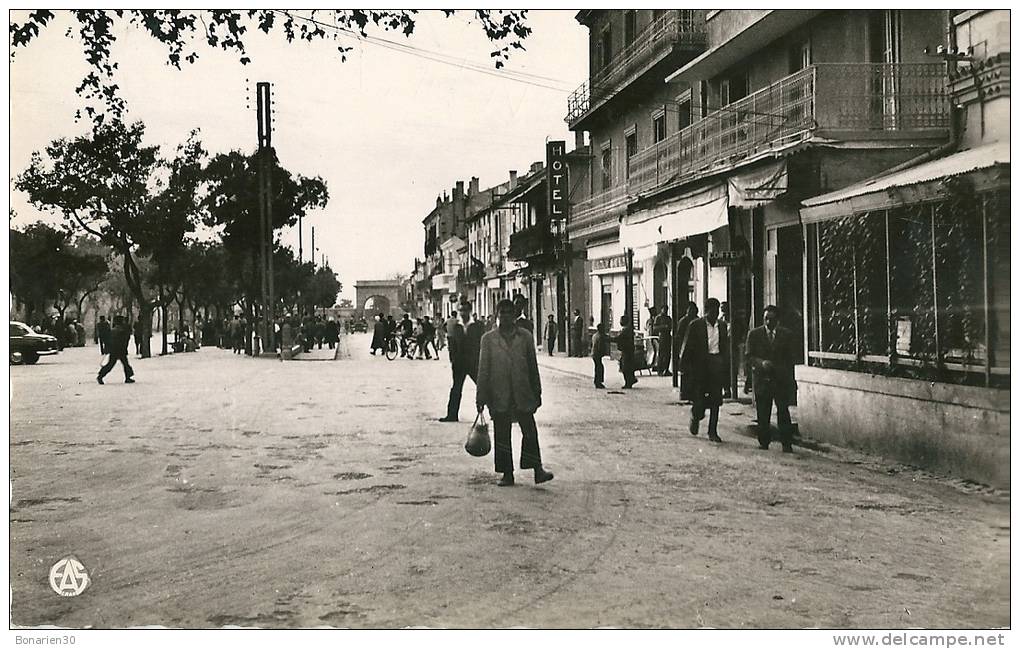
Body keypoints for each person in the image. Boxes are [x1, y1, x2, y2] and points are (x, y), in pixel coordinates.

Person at [476, 299, 553, 487]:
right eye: (501, 313)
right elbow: (483, 369)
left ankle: (537, 470)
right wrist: (481, 397)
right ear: (497, 315)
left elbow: (532, 366)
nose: (505, 316)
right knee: (502, 434)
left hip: (522, 392)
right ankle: (507, 474)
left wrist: (537, 392)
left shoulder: (525, 337)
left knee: (530, 432)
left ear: (514, 315)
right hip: (499, 394)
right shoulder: (488, 339)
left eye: (509, 313)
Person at [746, 305, 797, 453]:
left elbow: (790, 358)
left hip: (780, 380)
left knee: (783, 412)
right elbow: (749, 357)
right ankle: (764, 442)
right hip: (762, 379)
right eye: (766, 319)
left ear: (778, 321)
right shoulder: (754, 334)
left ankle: (786, 443)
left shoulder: (786, 335)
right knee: (763, 412)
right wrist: (761, 363)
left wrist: (788, 378)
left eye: (772, 319)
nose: (768, 322)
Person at [680, 298, 729, 443]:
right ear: (706, 311)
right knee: (699, 400)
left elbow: (724, 347)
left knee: (716, 400)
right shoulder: (695, 325)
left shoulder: (721, 326)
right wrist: (684, 368)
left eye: (717, 311)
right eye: (712, 311)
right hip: (700, 367)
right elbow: (687, 347)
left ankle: (712, 431)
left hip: (716, 364)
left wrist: (725, 366)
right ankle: (696, 415)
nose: (714, 315)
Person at [439, 300, 484, 422]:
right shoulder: (456, 327)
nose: (463, 313)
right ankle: (452, 415)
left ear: (470, 311)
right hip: (459, 363)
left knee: (483, 387)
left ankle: (496, 412)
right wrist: (453, 359)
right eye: (461, 310)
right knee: (456, 389)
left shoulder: (478, 326)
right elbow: (452, 344)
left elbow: (482, 344)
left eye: (465, 310)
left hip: (474, 363)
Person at [97, 315, 135, 385]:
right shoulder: (120, 330)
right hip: (119, 350)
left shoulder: (114, 330)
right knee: (122, 364)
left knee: (114, 364)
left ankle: (101, 375)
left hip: (115, 350)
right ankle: (101, 376)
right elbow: (122, 341)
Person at [675, 303, 699, 401]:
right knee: (685, 373)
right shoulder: (683, 321)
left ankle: (692, 393)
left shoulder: (697, 321)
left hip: (696, 351)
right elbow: (679, 336)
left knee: (694, 373)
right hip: (685, 349)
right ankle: (684, 393)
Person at [612, 315, 637, 389]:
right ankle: (630, 380)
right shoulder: (626, 329)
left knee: (625, 367)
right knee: (625, 366)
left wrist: (609, 339)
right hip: (626, 350)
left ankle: (629, 382)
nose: (620, 322)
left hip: (627, 350)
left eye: (621, 320)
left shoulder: (626, 330)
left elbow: (619, 338)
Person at [653, 305, 673, 376]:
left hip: (668, 336)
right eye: (664, 309)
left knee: (668, 354)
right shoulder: (658, 318)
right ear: (661, 309)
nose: (665, 311)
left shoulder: (668, 318)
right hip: (662, 336)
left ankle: (666, 369)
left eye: (666, 309)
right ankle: (660, 370)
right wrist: (663, 327)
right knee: (661, 354)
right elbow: (655, 328)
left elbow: (671, 326)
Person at [591, 322, 607, 389]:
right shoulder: (600, 336)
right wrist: (603, 352)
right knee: (599, 368)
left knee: (597, 367)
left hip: (594, 353)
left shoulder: (595, 335)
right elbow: (600, 346)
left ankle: (597, 381)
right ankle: (598, 382)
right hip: (597, 354)